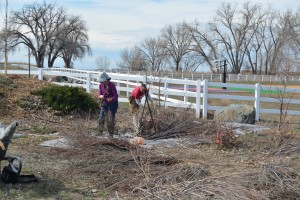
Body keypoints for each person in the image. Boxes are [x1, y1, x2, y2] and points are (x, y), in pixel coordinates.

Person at [97, 72, 118, 137]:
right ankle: (100, 132)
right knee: (101, 117)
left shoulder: (112, 85)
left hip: (112, 104)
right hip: (104, 103)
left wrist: (111, 99)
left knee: (110, 118)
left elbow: (116, 96)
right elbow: (99, 94)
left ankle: (111, 134)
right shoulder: (100, 85)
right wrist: (101, 96)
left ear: (106, 80)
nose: (102, 83)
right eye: (101, 81)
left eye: (102, 81)